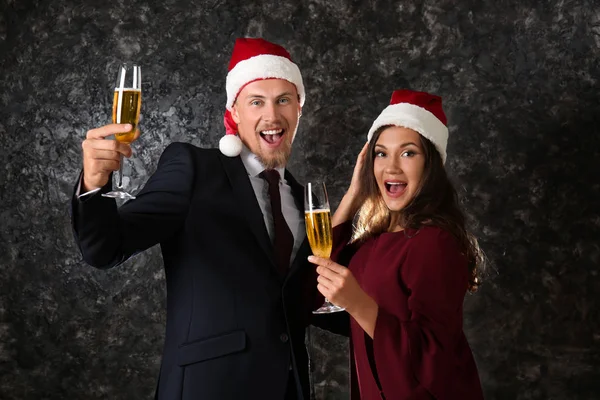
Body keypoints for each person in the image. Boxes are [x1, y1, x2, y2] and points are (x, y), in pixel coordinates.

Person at [71, 38, 321, 400]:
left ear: (299, 110)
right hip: (208, 387)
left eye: (284, 99)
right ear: (234, 113)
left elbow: (307, 301)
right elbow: (106, 247)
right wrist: (94, 184)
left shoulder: (303, 200)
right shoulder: (194, 168)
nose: (272, 115)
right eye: (256, 102)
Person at [308, 89, 485, 399]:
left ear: (430, 165)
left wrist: (360, 304)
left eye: (408, 153)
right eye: (381, 153)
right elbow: (318, 284)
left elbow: (433, 357)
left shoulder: (434, 242)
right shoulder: (373, 241)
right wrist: (353, 193)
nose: (391, 167)